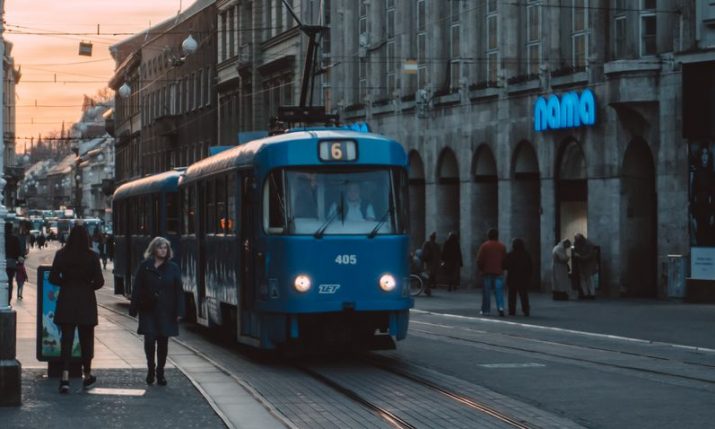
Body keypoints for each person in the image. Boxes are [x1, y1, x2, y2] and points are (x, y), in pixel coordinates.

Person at [49, 225, 105, 393]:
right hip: (86, 301)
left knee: (66, 340)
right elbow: (100, 281)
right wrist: (88, 287)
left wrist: (66, 284)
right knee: (86, 340)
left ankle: (64, 377)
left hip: (66, 300)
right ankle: (87, 375)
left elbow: (53, 277)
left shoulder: (61, 255)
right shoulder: (92, 256)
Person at [129, 237, 184, 386]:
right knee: (149, 340)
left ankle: (160, 372)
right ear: (153, 249)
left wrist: (179, 311)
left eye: (165, 248)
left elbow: (179, 290)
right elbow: (137, 288)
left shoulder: (173, 268)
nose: (163, 250)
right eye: (160, 248)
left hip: (166, 311)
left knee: (163, 342)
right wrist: (133, 308)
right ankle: (150, 368)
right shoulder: (145, 266)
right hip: (148, 309)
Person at [476, 228, 507, 316]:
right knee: (499, 291)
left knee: (486, 292)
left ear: (488, 236)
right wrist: (502, 268)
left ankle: (486, 310)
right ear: (497, 236)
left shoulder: (484, 246)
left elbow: (479, 259)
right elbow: (505, 259)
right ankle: (500, 307)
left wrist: (481, 269)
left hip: (487, 272)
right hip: (498, 272)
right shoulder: (502, 246)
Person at [690, 145, 714, 246]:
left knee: (709, 238)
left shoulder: (711, 173)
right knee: (699, 237)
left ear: (709, 156)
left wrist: (713, 214)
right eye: (703, 154)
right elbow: (693, 194)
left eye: (706, 154)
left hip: (708, 210)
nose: (704, 157)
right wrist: (694, 216)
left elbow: (713, 194)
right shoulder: (697, 173)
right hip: (699, 210)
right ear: (700, 157)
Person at [504, 238, 532, 316]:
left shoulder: (510, 254)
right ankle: (526, 310)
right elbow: (530, 267)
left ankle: (512, 310)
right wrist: (529, 276)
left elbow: (505, 265)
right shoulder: (526, 255)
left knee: (512, 295)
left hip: (512, 278)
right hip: (523, 278)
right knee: (524, 295)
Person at [573, 233, 598, 299]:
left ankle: (591, 293)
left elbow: (590, 255)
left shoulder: (589, 244)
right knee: (583, 279)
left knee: (589, 279)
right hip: (581, 264)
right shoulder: (577, 243)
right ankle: (585, 293)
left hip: (588, 264)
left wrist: (580, 257)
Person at [5, 223, 22, 305]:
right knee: (9, 282)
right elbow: (18, 253)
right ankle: (8, 300)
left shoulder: (1, 237)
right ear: (11, 229)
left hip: (2, 264)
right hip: (11, 265)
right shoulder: (15, 238)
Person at [421, 232, 441, 296]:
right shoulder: (437, 245)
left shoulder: (427, 244)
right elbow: (439, 254)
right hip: (434, 263)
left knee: (428, 276)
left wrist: (423, 259)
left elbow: (423, 253)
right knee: (430, 276)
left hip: (428, 262)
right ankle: (427, 288)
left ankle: (427, 288)